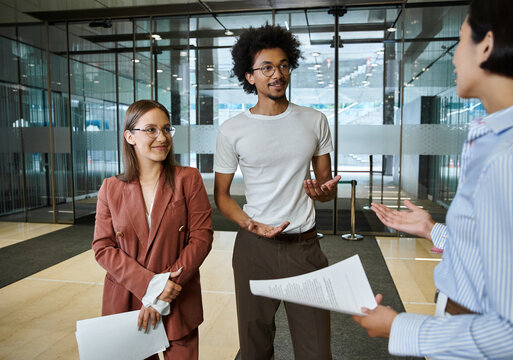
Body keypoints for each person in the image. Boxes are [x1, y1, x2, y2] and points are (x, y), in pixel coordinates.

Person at [354, 0, 513, 358]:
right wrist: (432, 230)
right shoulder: (507, 138)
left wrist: (399, 328)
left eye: (459, 42)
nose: (453, 58)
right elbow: (505, 257)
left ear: (486, 45)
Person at [214, 24, 341, 360]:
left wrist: (324, 193)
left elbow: (324, 184)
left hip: (304, 247)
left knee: (316, 352)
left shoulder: (315, 121)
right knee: (255, 348)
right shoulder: (232, 130)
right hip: (254, 250)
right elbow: (222, 196)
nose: (277, 74)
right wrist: (250, 224)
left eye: (283, 65)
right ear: (249, 76)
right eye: (266, 67)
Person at [92, 100, 213, 359]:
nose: (162, 137)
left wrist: (162, 295)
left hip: (178, 301)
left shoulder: (188, 179)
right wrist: (151, 287)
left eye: (167, 129)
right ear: (130, 136)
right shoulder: (110, 188)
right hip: (128, 302)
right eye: (151, 130)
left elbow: (201, 239)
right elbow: (102, 248)